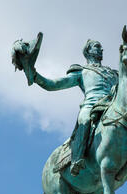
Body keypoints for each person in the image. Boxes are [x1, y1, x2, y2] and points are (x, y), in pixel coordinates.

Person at [32, 39, 118, 175]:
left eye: (101, 47)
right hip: (92, 105)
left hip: (113, 106)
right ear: (88, 51)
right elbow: (54, 84)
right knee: (85, 119)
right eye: (97, 46)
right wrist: (35, 76)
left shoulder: (114, 74)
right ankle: (77, 159)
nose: (101, 49)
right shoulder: (81, 71)